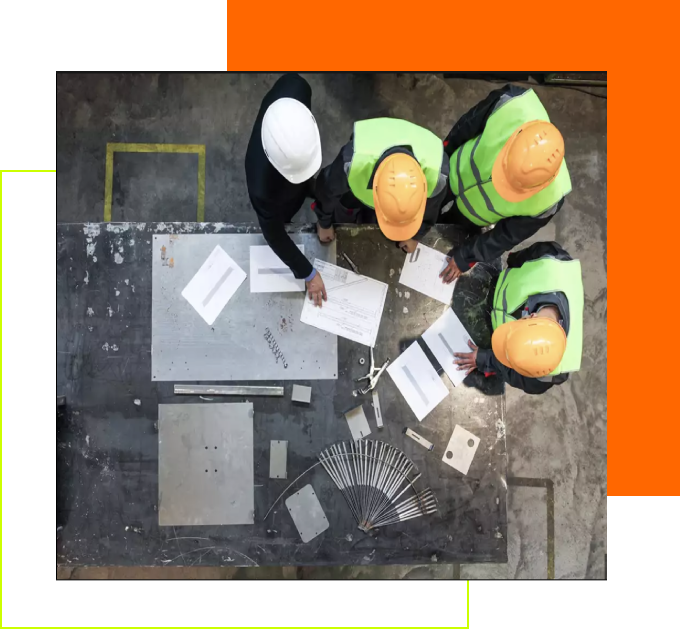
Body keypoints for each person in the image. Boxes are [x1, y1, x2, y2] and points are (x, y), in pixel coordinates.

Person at [439, 85, 572, 284]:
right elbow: (466, 125)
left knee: (447, 231)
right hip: (453, 170)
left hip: (473, 215)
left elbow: (505, 236)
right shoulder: (511, 104)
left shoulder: (549, 201)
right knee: (426, 205)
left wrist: (465, 256)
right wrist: (442, 160)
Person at [453, 242, 583, 394]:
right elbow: (525, 256)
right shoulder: (552, 262)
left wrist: (485, 359)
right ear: (530, 316)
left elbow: (517, 375)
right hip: (496, 283)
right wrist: (514, 260)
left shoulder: (547, 374)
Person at [245, 73, 328, 307]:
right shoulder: (263, 187)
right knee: (284, 217)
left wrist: (325, 216)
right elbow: (274, 234)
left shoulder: (297, 88)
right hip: (276, 193)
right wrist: (308, 274)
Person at [314, 118, 449, 252]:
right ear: (374, 189)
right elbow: (327, 191)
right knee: (344, 211)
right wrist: (324, 223)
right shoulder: (352, 163)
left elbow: (431, 210)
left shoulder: (437, 175)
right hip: (355, 185)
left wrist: (415, 236)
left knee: (374, 222)